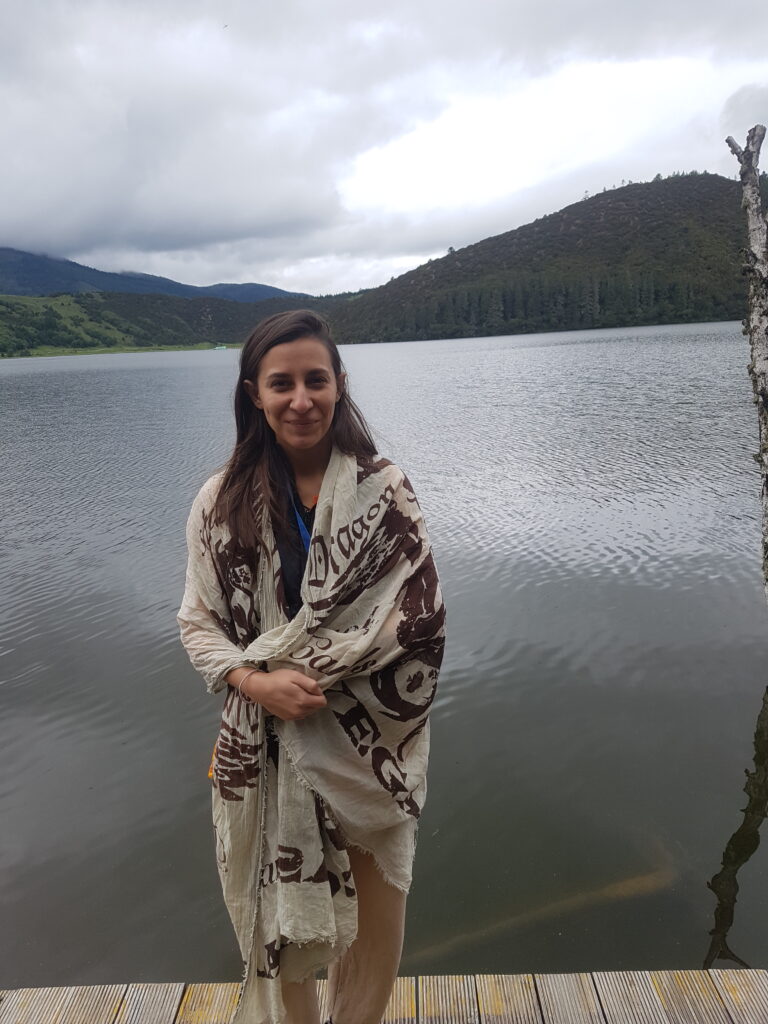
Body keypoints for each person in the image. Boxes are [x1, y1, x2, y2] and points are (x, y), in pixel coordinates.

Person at [177, 309, 446, 1024]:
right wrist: (256, 681)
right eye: (282, 383)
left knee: (377, 926)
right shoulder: (219, 503)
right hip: (264, 748)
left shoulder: (385, 490)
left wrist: (317, 677)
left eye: (315, 380)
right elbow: (197, 623)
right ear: (254, 395)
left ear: (339, 384)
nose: (301, 399)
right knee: (281, 930)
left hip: (369, 750)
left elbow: (419, 624)